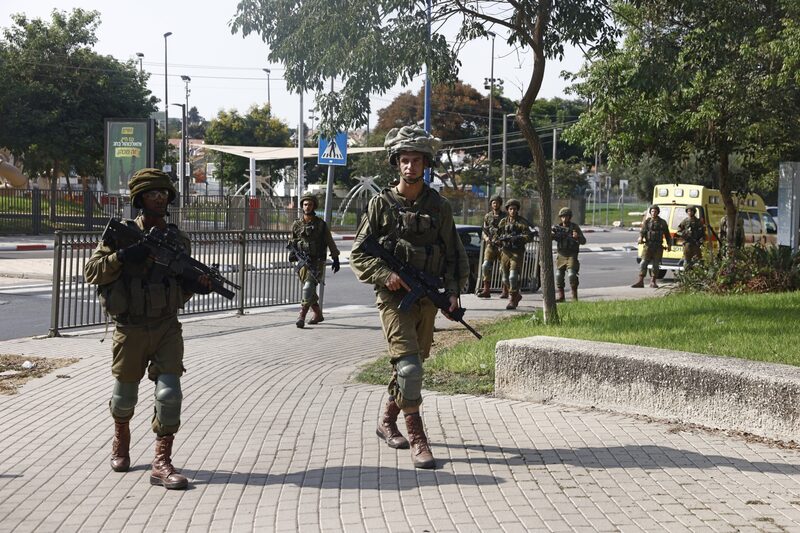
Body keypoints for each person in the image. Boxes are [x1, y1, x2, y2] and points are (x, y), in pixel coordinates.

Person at [84, 168, 211, 490]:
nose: (160, 198)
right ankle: (120, 438)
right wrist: (124, 256)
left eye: (164, 193)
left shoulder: (177, 239)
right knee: (124, 398)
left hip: (167, 325)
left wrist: (197, 285)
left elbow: (178, 283)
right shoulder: (119, 235)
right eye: (153, 193)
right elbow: (92, 272)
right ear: (139, 198)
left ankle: (161, 462)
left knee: (169, 394)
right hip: (130, 328)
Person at [350, 125, 468, 470]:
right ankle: (418, 439)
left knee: (411, 368)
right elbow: (358, 254)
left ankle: (386, 420)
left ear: (425, 164)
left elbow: (454, 253)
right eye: (404, 160)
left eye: (415, 160)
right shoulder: (381, 205)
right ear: (396, 163)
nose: (409, 167)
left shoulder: (439, 207)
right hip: (393, 298)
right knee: (410, 367)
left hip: (427, 298)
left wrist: (454, 292)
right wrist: (386, 275)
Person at [288, 193, 340, 328]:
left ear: (314, 206)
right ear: (302, 206)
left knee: (308, 288)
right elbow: (292, 241)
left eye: (310, 204)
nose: (307, 207)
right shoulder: (296, 224)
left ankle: (301, 316)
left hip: (316, 261)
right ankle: (318, 314)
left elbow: (329, 241)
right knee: (309, 290)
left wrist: (335, 257)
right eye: (305, 204)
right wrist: (293, 253)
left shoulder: (321, 224)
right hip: (302, 262)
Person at [497, 199, 535, 310]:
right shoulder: (503, 222)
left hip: (517, 252)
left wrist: (518, 238)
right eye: (510, 209)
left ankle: (512, 299)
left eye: (514, 209)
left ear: (517, 210)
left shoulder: (522, 222)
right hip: (505, 251)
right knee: (505, 278)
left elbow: (529, 236)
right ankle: (516, 295)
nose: (512, 211)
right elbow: (496, 234)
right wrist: (497, 240)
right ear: (507, 210)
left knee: (513, 276)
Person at [632, 205, 673, 288]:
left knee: (655, 265)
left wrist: (669, 245)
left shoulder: (662, 222)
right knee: (643, 263)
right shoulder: (647, 222)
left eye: (655, 211)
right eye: (652, 211)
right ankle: (640, 281)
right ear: (650, 212)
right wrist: (640, 237)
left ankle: (653, 281)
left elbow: (667, 235)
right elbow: (643, 231)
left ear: (658, 212)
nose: (653, 213)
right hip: (648, 246)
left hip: (658, 247)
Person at [553, 207, 587, 301]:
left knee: (572, 274)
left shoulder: (574, 227)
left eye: (566, 216)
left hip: (572, 254)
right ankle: (561, 296)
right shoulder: (557, 228)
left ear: (569, 217)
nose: (564, 218)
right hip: (561, 254)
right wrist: (553, 235)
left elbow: (583, 241)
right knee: (559, 275)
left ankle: (574, 296)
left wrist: (577, 237)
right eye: (562, 216)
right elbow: (551, 237)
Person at [477, 195, 506, 298]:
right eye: (493, 202)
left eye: (497, 202)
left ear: (500, 204)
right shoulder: (487, 216)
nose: (495, 204)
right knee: (485, 266)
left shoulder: (505, 216)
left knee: (503, 269)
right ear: (491, 204)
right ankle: (486, 290)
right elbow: (484, 231)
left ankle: (505, 290)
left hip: (502, 246)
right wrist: (486, 238)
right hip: (491, 245)